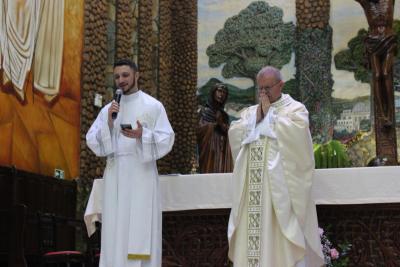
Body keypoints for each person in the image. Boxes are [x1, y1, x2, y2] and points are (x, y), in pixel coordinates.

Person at [227, 66, 324, 267]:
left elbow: (299, 140)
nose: (263, 93)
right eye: (260, 88)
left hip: (280, 192)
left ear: (281, 85)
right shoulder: (250, 113)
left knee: (280, 239)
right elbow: (235, 132)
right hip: (252, 192)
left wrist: (270, 117)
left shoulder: (295, 109)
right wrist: (257, 119)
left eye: (267, 88)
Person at [86, 59, 175, 267]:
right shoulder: (109, 109)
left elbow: (167, 138)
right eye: (117, 77)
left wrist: (143, 135)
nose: (121, 80)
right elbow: (92, 140)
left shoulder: (153, 106)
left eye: (125, 75)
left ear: (137, 75)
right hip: (116, 175)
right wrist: (109, 123)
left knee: (140, 227)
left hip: (141, 173)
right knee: (116, 229)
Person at [356, 0, 396, 127]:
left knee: (385, 73)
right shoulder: (367, 3)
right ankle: (382, 115)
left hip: (388, 40)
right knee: (377, 75)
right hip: (373, 43)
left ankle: (390, 112)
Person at [197, 83, 233, 173]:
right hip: (208, 150)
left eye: (224, 93)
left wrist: (222, 124)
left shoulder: (224, 115)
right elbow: (198, 130)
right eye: (219, 91)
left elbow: (229, 131)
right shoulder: (203, 111)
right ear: (213, 92)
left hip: (221, 150)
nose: (221, 95)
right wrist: (214, 125)